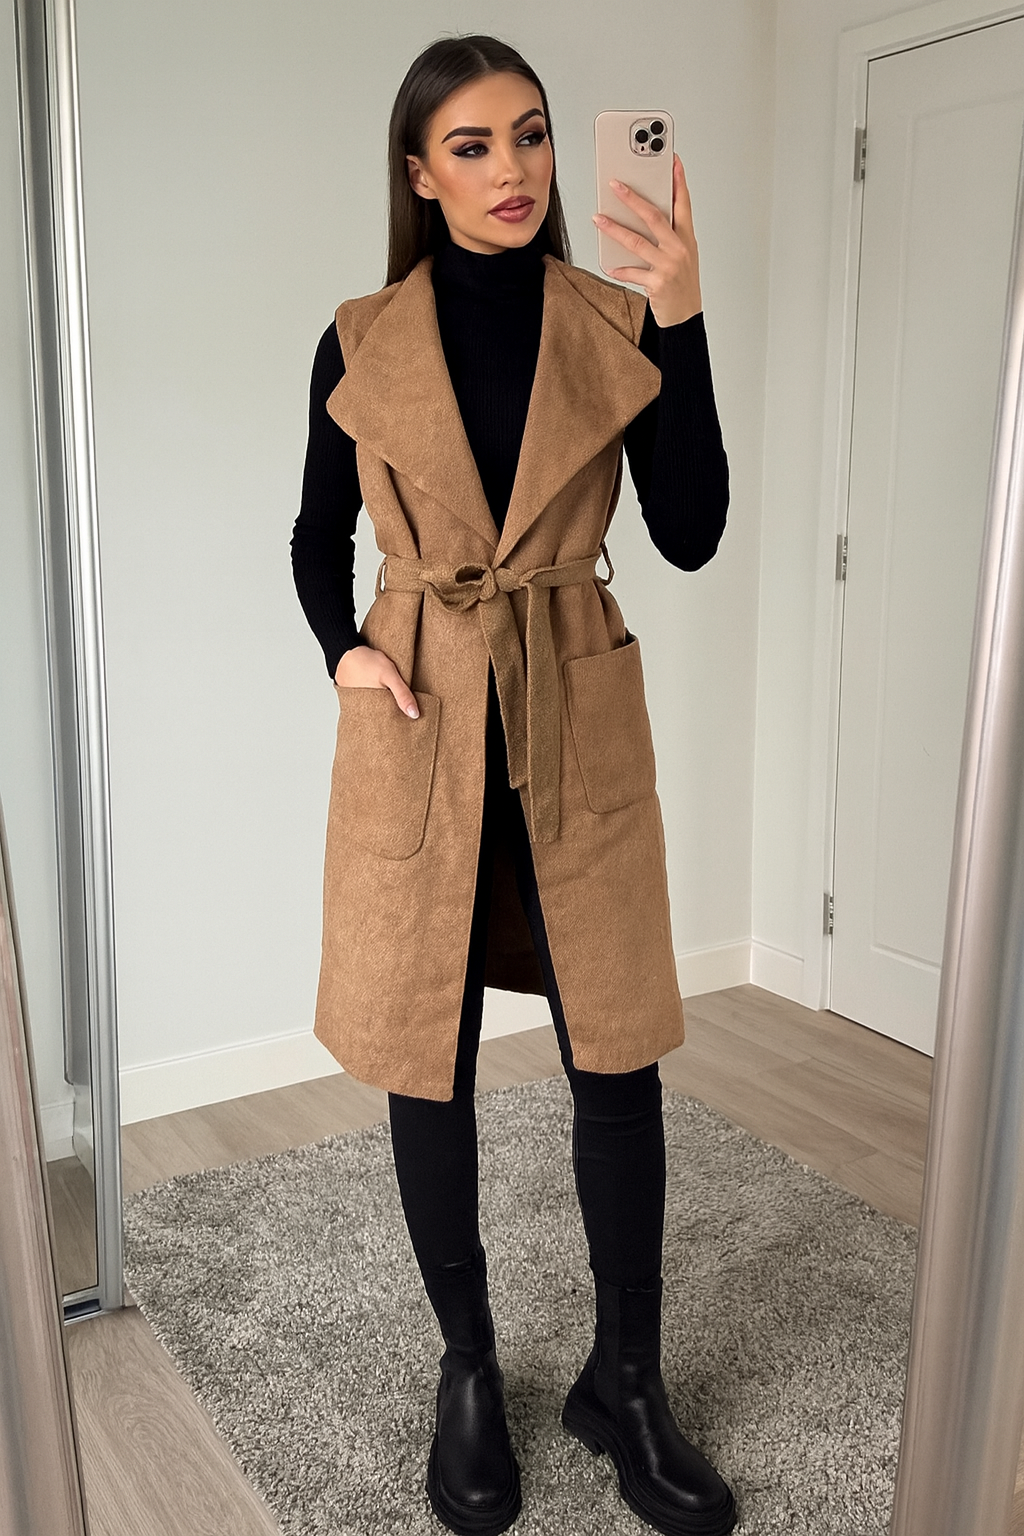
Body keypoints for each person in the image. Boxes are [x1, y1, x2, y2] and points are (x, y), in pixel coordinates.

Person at [291, 32, 735, 1536]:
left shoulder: (614, 318)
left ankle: (626, 1381)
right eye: (472, 145)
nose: (513, 170)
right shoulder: (359, 339)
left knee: (618, 1051)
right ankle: (469, 1368)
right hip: (423, 715)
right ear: (419, 174)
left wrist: (683, 315)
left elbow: (690, 531)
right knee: (432, 1050)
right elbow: (314, 537)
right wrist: (346, 652)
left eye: (532, 135)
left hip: (573, 704)